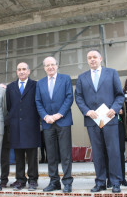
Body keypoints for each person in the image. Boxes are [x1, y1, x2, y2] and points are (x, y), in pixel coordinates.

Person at [75, 50, 124, 193]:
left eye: (94, 57)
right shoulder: (82, 77)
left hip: (109, 119)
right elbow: (78, 97)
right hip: (93, 120)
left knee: (113, 151)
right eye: (89, 58)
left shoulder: (112, 73)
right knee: (97, 152)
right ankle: (100, 181)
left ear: (100, 58)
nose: (92, 60)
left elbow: (119, 95)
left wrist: (114, 109)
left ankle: (115, 182)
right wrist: (87, 111)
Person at [35, 56, 73, 193]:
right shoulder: (40, 83)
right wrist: (45, 116)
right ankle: (54, 181)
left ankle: (67, 182)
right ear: (44, 68)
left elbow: (69, 98)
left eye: (52, 64)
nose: (50, 67)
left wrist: (58, 115)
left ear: (57, 65)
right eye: (47, 65)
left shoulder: (66, 79)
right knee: (51, 154)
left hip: (63, 121)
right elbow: (38, 102)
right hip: (47, 123)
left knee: (65, 153)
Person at [6, 62, 41, 191]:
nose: (21, 71)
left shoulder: (35, 85)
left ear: (28, 71)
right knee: (19, 156)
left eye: (24, 69)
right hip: (16, 126)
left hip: (31, 126)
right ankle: (20, 179)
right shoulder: (10, 87)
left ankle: (33, 180)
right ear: (16, 72)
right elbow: (9, 106)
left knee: (32, 156)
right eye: (19, 69)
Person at [0, 83, 10, 188]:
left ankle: (3, 179)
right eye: (1, 88)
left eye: (5, 89)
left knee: (4, 158)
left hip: (6, 133)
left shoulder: (10, 101)